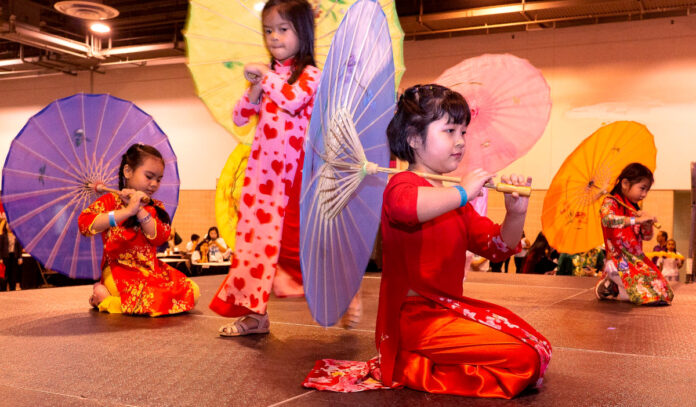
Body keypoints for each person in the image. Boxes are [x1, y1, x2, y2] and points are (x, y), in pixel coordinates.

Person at [304, 85, 551, 397]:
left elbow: (496, 248)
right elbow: (407, 208)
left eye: (463, 131)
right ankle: (415, 364)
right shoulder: (402, 185)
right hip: (413, 320)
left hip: (447, 313)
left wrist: (515, 214)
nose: (460, 141)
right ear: (413, 138)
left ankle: (427, 364)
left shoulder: (453, 199)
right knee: (525, 358)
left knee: (536, 345)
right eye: (449, 130)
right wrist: (463, 191)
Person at [210, 0, 320, 336]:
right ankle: (255, 314)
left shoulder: (312, 75)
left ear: (303, 31)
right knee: (252, 245)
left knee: (303, 245)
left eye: (283, 29)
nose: (274, 37)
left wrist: (266, 77)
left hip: (294, 178)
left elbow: (292, 100)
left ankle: (343, 294)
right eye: (268, 30)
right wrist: (255, 86)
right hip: (261, 178)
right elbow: (240, 118)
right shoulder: (270, 78)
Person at [78, 144, 200, 316]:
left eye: (158, 179)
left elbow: (159, 238)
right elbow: (85, 225)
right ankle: (106, 299)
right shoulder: (110, 201)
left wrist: (139, 209)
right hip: (119, 270)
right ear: (128, 171)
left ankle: (105, 299)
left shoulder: (156, 206)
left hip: (151, 271)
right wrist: (126, 212)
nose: (154, 184)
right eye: (149, 176)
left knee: (192, 292)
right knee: (150, 298)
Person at [594, 162, 673, 305]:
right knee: (641, 293)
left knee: (662, 291)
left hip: (636, 259)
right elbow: (607, 220)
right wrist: (635, 220)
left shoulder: (634, 208)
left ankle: (613, 284)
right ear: (625, 183)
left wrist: (647, 224)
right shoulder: (610, 202)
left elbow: (647, 237)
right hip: (619, 259)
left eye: (647, 190)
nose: (644, 194)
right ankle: (613, 277)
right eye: (642, 188)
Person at [0, 216, 23, 291]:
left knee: (13, 274)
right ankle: (3, 289)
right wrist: (0, 258)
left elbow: (19, 248)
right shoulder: (2, 236)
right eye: (8, 225)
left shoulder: (16, 236)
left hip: (14, 256)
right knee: (5, 274)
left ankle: (12, 289)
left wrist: (20, 257)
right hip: (5, 257)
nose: (10, 227)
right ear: (6, 227)